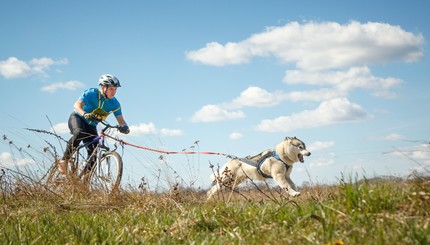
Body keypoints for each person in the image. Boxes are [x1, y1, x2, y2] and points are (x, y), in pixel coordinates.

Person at [57, 74, 130, 173]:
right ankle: (64, 160)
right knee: (79, 132)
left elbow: (121, 121)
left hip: (91, 126)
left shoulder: (114, 103)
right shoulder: (92, 93)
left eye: (115, 89)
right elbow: (76, 105)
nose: (114, 92)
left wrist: (125, 128)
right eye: (111, 89)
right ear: (104, 87)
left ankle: (84, 181)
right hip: (78, 118)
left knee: (94, 154)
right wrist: (85, 114)